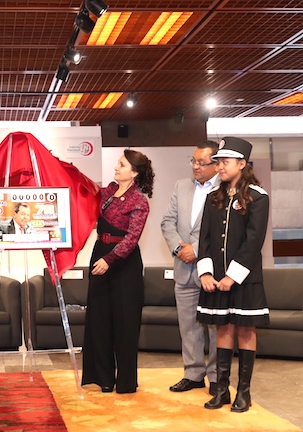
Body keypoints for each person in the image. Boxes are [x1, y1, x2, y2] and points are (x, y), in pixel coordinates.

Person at [197, 136, 270, 413]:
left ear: (241, 163)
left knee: (246, 330)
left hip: (244, 278)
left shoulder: (258, 197)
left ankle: (244, 392)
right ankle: (222, 390)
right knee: (223, 328)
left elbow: (254, 242)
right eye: (218, 162)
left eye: (225, 162)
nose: (220, 167)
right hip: (216, 279)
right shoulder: (213, 198)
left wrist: (233, 276)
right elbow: (204, 238)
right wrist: (206, 273)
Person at [81, 149, 155, 394]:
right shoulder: (108, 191)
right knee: (99, 319)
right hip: (99, 254)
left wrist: (109, 259)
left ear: (134, 173)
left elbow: (132, 239)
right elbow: (84, 190)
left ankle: (125, 381)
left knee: (125, 323)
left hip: (124, 264)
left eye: (122, 165)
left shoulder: (139, 201)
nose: (116, 167)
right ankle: (103, 378)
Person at [161, 141, 220, 395]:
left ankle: (217, 377)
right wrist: (178, 249)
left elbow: (222, 230)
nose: (196, 167)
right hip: (184, 270)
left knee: (216, 328)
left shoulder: (226, 189)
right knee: (188, 326)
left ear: (216, 164)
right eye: (193, 161)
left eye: (202, 163)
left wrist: (196, 250)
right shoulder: (181, 186)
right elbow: (167, 222)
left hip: (213, 271)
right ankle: (193, 374)